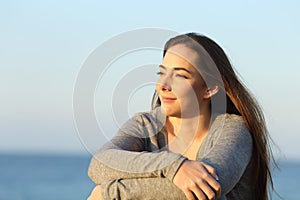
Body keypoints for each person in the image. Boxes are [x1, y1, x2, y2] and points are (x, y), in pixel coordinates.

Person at [87, 33, 275, 200]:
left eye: (181, 76)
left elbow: (207, 188)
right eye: (162, 73)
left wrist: (110, 193)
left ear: (209, 88)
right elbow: (100, 164)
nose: (163, 85)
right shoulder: (145, 125)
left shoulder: (233, 130)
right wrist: (174, 166)